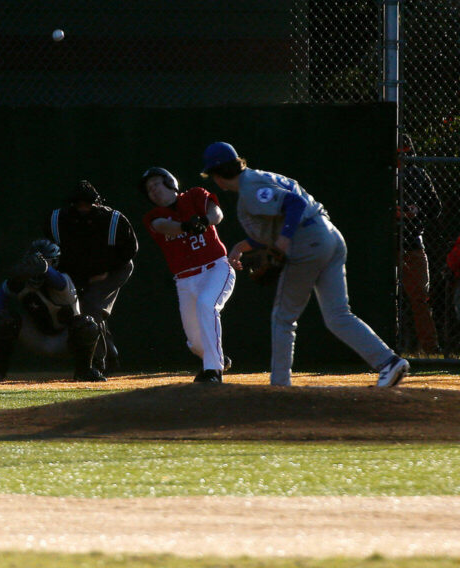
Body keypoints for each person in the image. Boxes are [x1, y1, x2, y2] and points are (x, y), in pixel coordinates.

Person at [200, 141, 409, 388]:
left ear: (218, 175)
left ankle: (280, 386)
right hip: (329, 236)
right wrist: (241, 246)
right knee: (337, 315)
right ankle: (389, 362)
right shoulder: (260, 178)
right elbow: (276, 221)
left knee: (283, 318)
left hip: (306, 241)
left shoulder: (250, 189)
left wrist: (285, 239)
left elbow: (294, 205)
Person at [139, 167, 236, 384]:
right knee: (195, 343)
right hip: (184, 280)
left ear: (170, 182)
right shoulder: (153, 216)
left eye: (156, 184)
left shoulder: (194, 195)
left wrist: (205, 220)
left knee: (206, 305)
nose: (153, 191)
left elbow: (217, 214)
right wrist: (186, 225)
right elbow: (163, 226)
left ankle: (213, 371)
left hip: (216, 269)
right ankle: (215, 357)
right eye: (149, 189)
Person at [43, 180, 138, 375]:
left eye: (88, 204)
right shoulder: (58, 220)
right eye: (78, 205)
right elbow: (52, 251)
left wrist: (107, 271)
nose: (83, 209)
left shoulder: (114, 220)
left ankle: (96, 364)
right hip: (78, 274)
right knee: (83, 311)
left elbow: (130, 250)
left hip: (115, 269)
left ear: (97, 203)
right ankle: (111, 356)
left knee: (91, 307)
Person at [0, 239, 106, 382]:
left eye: (40, 263)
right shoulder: (21, 284)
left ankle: (84, 371)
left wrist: (45, 268)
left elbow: (58, 282)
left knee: (87, 324)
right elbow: (0, 304)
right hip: (36, 337)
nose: (34, 269)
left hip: (66, 340)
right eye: (31, 263)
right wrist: (17, 277)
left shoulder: (64, 281)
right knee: (3, 320)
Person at [396, 133, 442, 355]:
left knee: (420, 297)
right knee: (389, 298)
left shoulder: (417, 174)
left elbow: (435, 207)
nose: (405, 159)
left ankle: (431, 349)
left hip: (413, 242)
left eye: (407, 153)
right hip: (388, 241)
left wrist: (416, 212)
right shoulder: (384, 174)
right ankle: (385, 346)